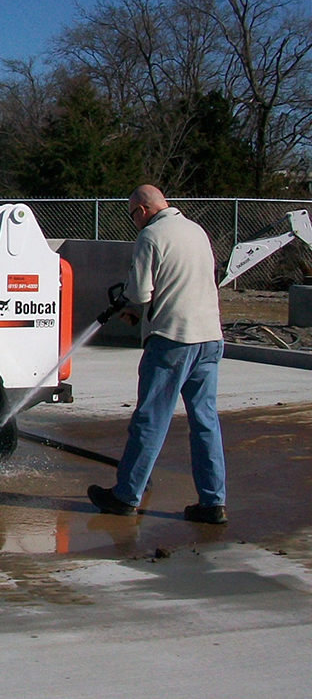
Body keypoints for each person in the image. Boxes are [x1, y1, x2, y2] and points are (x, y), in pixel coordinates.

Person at [88, 185, 228, 524]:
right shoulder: (196, 231)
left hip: (172, 341)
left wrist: (134, 307)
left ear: (143, 210)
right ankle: (213, 503)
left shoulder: (151, 235)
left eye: (133, 215)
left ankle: (125, 496)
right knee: (205, 421)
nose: (134, 222)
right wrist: (143, 313)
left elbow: (139, 290)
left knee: (150, 419)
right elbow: (180, 285)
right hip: (209, 338)